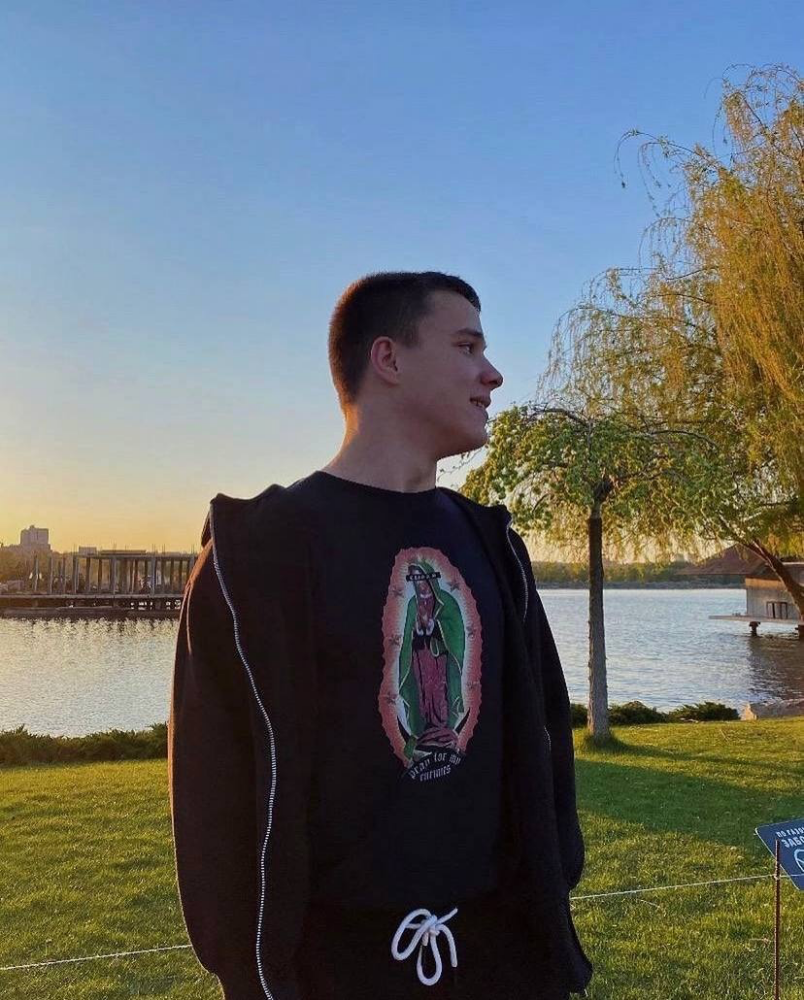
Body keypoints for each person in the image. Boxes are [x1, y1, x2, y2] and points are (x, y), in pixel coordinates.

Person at [168, 271, 593, 1000]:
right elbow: (213, 807)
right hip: (332, 973)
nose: (492, 374)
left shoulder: (496, 547)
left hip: (506, 963)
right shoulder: (257, 558)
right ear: (388, 360)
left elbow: (545, 742)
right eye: (466, 346)